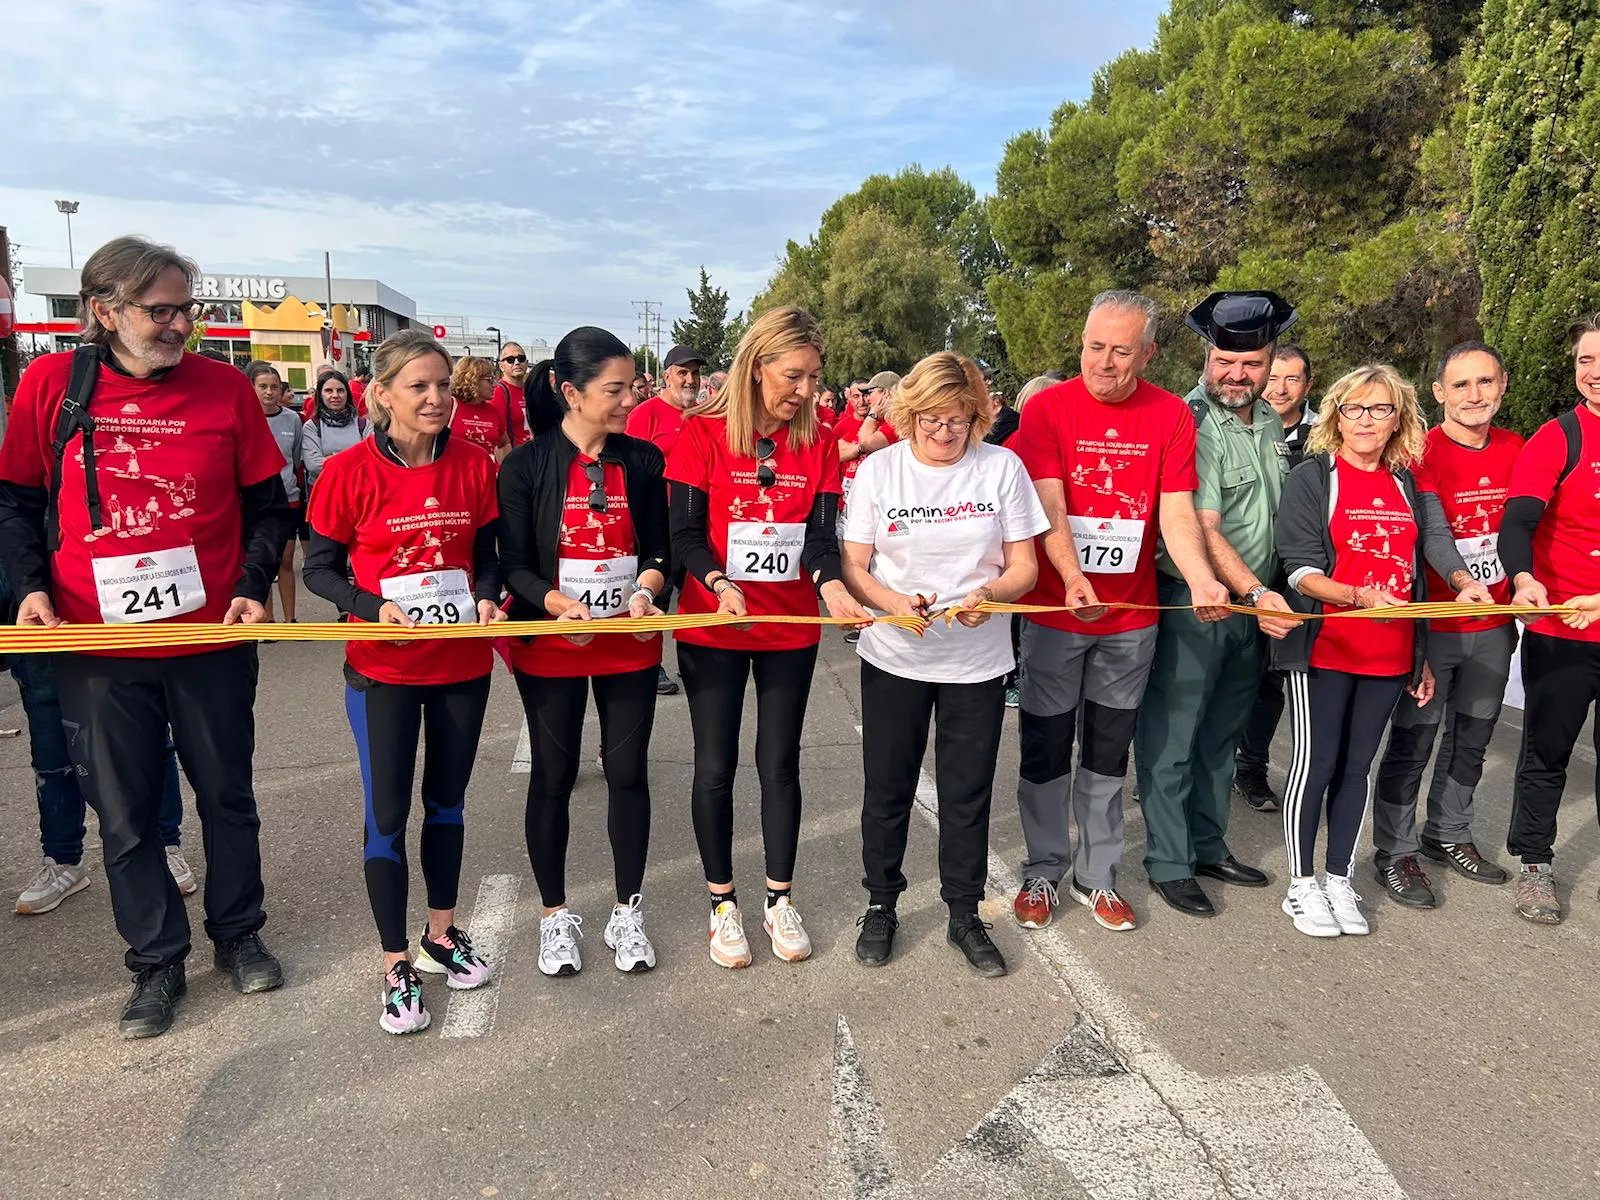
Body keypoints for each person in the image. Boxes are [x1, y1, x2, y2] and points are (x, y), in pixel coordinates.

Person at [0, 235, 293, 1038]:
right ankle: (156, 962)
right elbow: (16, 501)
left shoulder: (227, 389)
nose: (177, 326)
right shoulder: (52, 386)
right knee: (126, 816)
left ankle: (238, 936)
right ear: (104, 311)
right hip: (96, 646)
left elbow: (271, 506)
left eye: (184, 310)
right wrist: (29, 588)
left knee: (227, 798)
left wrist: (250, 587)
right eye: (157, 310)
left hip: (209, 642)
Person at [1011, 289, 1231, 935]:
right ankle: (1044, 868)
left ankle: (1098, 876)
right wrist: (1073, 577)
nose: (1104, 363)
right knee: (1046, 749)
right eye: (1094, 346)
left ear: (1149, 353)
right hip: (1056, 615)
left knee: (1108, 755)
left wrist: (1201, 579)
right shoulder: (1048, 409)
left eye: (1121, 351)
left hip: (1131, 624)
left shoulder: (1169, 416)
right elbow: (1048, 504)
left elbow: (1175, 510)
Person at [302, 329, 503, 1034]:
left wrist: (486, 593)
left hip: (461, 668)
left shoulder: (476, 463)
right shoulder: (348, 471)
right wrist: (371, 606)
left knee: (446, 805)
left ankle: (440, 934)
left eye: (444, 385)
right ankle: (395, 964)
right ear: (379, 394)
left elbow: (493, 554)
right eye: (418, 386)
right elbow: (318, 568)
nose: (436, 398)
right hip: (382, 671)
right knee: (387, 816)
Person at [667, 305, 872, 969]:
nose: (805, 391)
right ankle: (722, 904)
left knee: (780, 761)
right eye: (793, 375)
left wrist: (831, 584)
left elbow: (818, 536)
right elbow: (684, 535)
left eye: (814, 377)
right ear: (758, 367)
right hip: (715, 623)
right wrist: (721, 584)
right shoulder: (700, 434)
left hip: (788, 627)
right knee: (715, 766)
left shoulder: (814, 441)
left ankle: (779, 899)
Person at [841, 352, 1049, 976]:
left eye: (958, 420)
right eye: (931, 418)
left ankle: (963, 911)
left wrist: (994, 595)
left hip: (976, 662)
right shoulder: (881, 470)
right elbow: (854, 563)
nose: (943, 432)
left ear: (978, 417)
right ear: (908, 414)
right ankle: (881, 903)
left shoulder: (1002, 468)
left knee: (966, 793)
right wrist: (890, 602)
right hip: (894, 656)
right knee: (888, 788)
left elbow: (1025, 567)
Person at [1273, 364, 1487, 938]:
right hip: (1327, 647)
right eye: (1354, 409)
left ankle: (1339, 877)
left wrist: (1463, 582)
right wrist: (1356, 595)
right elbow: (1299, 572)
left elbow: (1436, 546)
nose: (1367, 421)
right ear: (1336, 414)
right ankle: (1301, 884)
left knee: (1356, 769)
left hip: (1391, 655)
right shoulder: (1314, 477)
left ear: (1400, 418)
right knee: (1314, 765)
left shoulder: (1408, 482)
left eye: (1381, 409)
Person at [499, 327, 670, 977]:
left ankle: (628, 911)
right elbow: (511, 563)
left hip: (629, 642)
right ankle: (554, 916)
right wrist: (551, 602)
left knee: (628, 776)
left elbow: (661, 549)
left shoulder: (645, 462)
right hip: (553, 645)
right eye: (614, 389)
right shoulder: (524, 467)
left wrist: (649, 589)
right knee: (554, 776)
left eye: (631, 387)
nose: (629, 399)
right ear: (571, 393)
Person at [1133, 292, 1301, 918]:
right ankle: (1170, 860)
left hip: (1254, 608)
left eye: (1252, 364)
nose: (1237, 375)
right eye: (1225, 361)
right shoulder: (1189, 421)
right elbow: (1202, 527)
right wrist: (1254, 593)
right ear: (1207, 356)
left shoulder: (1271, 426)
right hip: (1194, 599)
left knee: (1223, 736)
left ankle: (1208, 844)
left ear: (1270, 363)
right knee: (1174, 735)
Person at [1371, 343, 1521, 907]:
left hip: (1494, 624)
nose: (1474, 396)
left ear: (1503, 384)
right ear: (1438, 393)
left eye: (1485, 382)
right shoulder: (1418, 453)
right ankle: (1396, 849)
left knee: (1474, 738)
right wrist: (1457, 583)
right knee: (1414, 740)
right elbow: (1429, 536)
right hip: (1434, 625)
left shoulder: (1517, 448)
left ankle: (1449, 833)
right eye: (1460, 385)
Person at [1499, 313, 1600, 925]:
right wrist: (1525, 577)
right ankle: (1535, 864)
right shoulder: (1559, 436)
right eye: (1587, 361)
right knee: (1548, 752)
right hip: (1562, 631)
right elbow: (1519, 521)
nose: (1596, 375)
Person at [1234, 342, 1318, 811]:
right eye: (1274, 376)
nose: (1280, 388)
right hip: (1238, 569)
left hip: (1293, 576)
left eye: (1293, 379)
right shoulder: (1236, 426)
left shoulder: (1325, 435)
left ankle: (1251, 769)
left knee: (1270, 679)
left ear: (1308, 384)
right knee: (1216, 676)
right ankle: (1186, 763)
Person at [247, 363, 305, 625]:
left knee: (285, 561)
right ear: (252, 388)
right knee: (264, 562)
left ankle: (290, 619)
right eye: (263, 386)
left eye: (274, 387)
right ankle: (267, 619)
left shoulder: (292, 419)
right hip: (256, 501)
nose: (269, 392)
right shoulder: (244, 417)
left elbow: (294, 457)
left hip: (288, 498)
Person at [301, 370, 370, 490]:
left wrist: (330, 458)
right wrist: (355, 459)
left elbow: (372, 461)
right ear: (320, 394)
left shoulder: (363, 425)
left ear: (347, 393)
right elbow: (313, 465)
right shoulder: (311, 427)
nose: (335, 395)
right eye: (328, 391)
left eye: (340, 390)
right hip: (324, 492)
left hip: (358, 491)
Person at [449, 356, 512, 461]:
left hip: (487, 475)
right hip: (458, 474)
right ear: (472, 380)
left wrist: (504, 469)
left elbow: (504, 443)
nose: (495, 385)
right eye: (489, 380)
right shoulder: (450, 406)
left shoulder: (492, 411)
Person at [492, 343, 532, 448]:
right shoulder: (499, 391)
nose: (517, 362)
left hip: (536, 455)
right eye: (510, 360)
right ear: (501, 366)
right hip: (515, 457)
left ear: (527, 363)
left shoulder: (531, 390)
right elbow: (498, 436)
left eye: (521, 358)